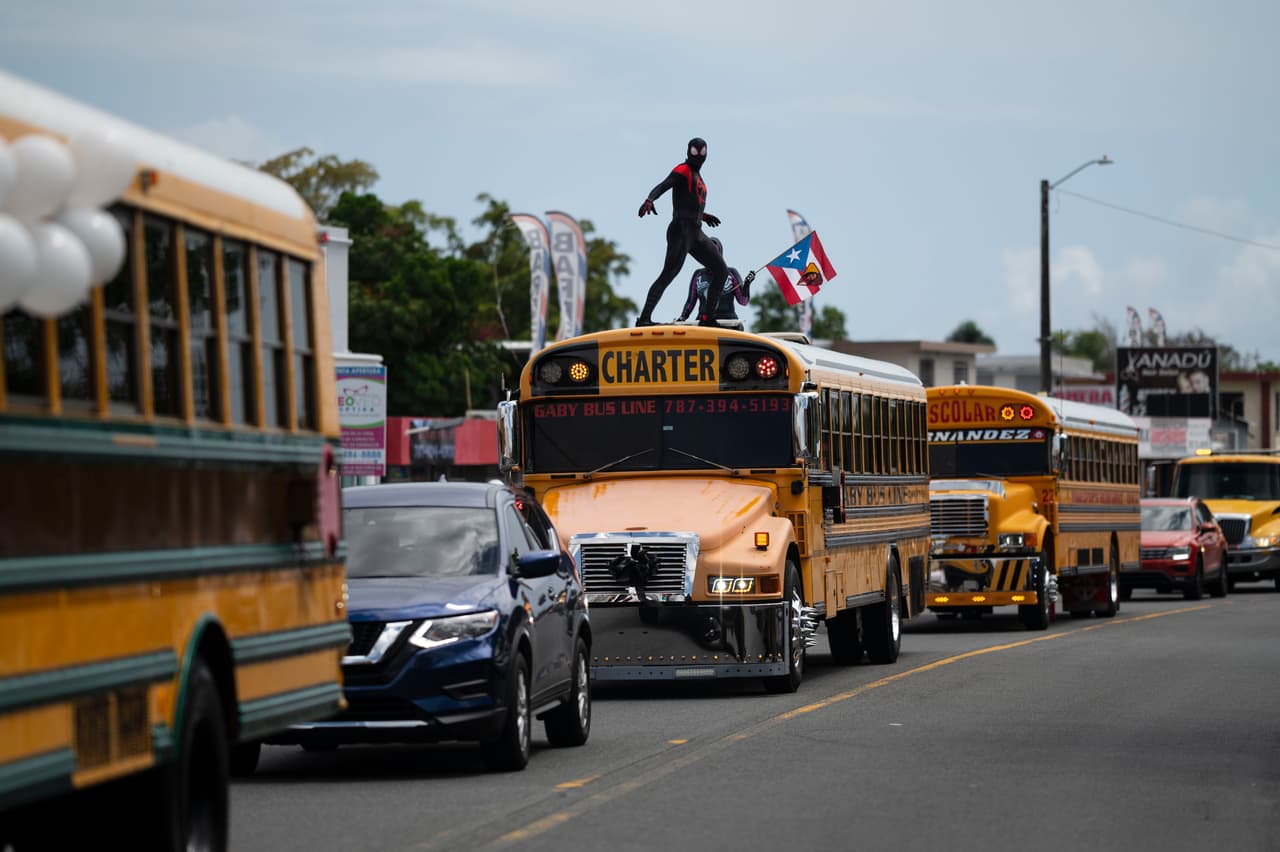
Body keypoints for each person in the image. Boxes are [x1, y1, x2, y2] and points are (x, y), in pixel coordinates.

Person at [635, 137, 728, 326]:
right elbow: (663, 185)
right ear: (688, 152)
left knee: (721, 270)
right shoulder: (682, 170)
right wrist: (650, 199)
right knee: (668, 273)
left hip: (696, 232)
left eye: (701, 152)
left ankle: (707, 317)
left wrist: (703, 215)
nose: (698, 156)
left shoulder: (698, 177)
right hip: (681, 230)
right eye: (695, 152)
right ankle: (644, 319)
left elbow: (689, 202)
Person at [676, 237, 752, 326]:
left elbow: (743, 301)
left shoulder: (731, 273)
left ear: (720, 254)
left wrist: (747, 285)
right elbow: (690, 302)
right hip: (704, 321)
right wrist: (682, 317)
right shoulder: (698, 275)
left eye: (714, 254)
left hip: (728, 322)